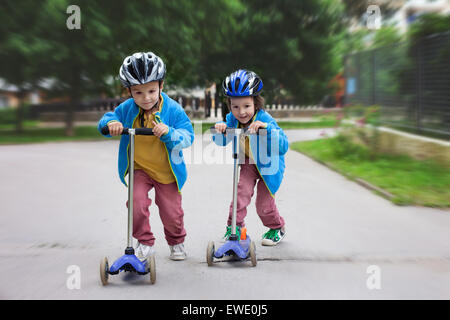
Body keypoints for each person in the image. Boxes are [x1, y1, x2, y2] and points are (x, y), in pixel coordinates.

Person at [98, 52, 194, 260]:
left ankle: (176, 241)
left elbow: (188, 136)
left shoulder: (173, 110)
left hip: (166, 171)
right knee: (136, 203)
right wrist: (110, 124)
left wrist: (170, 133)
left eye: (151, 90)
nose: (146, 98)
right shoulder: (127, 108)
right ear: (129, 91)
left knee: (171, 212)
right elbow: (107, 119)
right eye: (138, 92)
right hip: (139, 168)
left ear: (161, 85)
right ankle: (144, 241)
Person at [212, 69, 288, 246]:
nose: (241, 112)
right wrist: (221, 130)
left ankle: (277, 227)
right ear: (229, 105)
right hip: (248, 163)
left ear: (256, 102)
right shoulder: (232, 119)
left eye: (246, 106)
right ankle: (235, 227)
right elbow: (221, 141)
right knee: (241, 194)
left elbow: (283, 146)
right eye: (235, 106)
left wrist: (266, 130)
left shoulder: (265, 119)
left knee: (263, 205)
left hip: (270, 166)